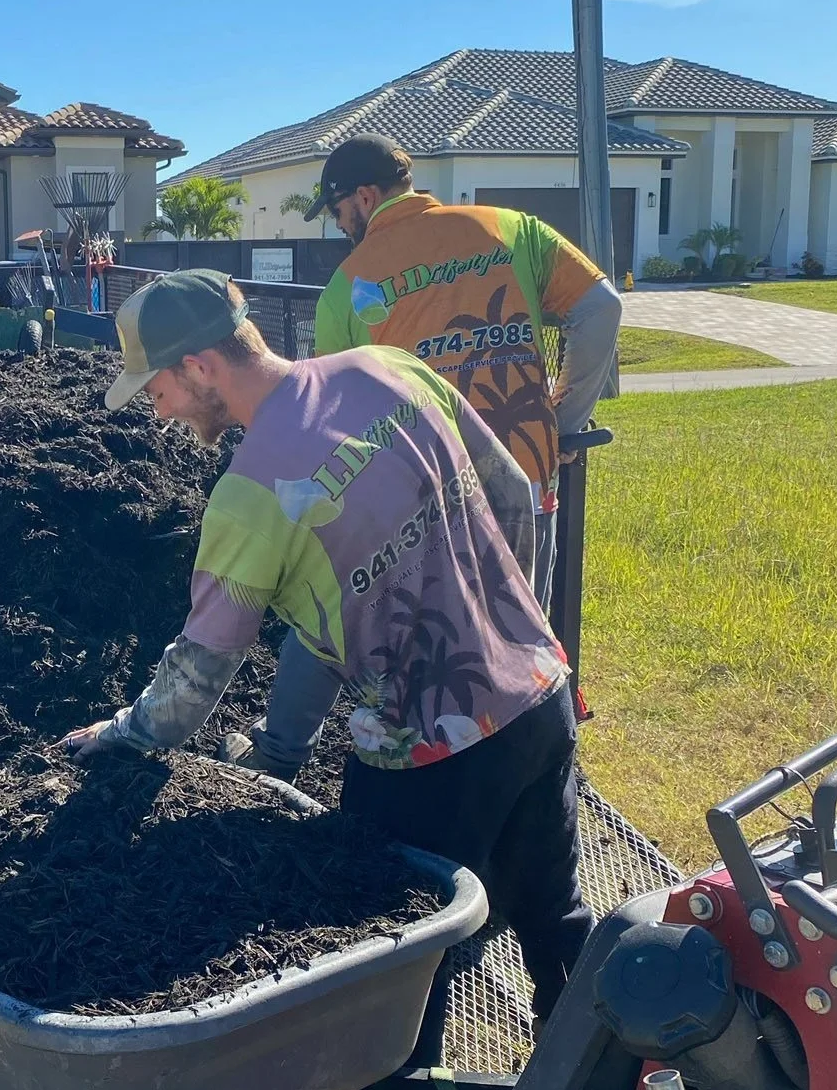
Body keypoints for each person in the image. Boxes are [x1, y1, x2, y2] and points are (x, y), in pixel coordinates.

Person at [61, 269, 594, 1090]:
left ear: (199, 367)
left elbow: (198, 674)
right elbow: (514, 493)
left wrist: (119, 736)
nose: (152, 408)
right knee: (552, 914)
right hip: (539, 693)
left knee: (398, 965)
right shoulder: (389, 369)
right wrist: (514, 629)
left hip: (427, 756)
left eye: (154, 386)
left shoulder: (252, 490)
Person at [227, 132, 622, 781]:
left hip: (422, 492)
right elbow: (600, 308)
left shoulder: (347, 288)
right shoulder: (508, 228)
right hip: (525, 468)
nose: (339, 226)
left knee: (336, 607)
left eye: (338, 210)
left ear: (363, 196)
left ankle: (282, 753)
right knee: (517, 634)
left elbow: (337, 413)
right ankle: (533, 776)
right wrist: (565, 418)